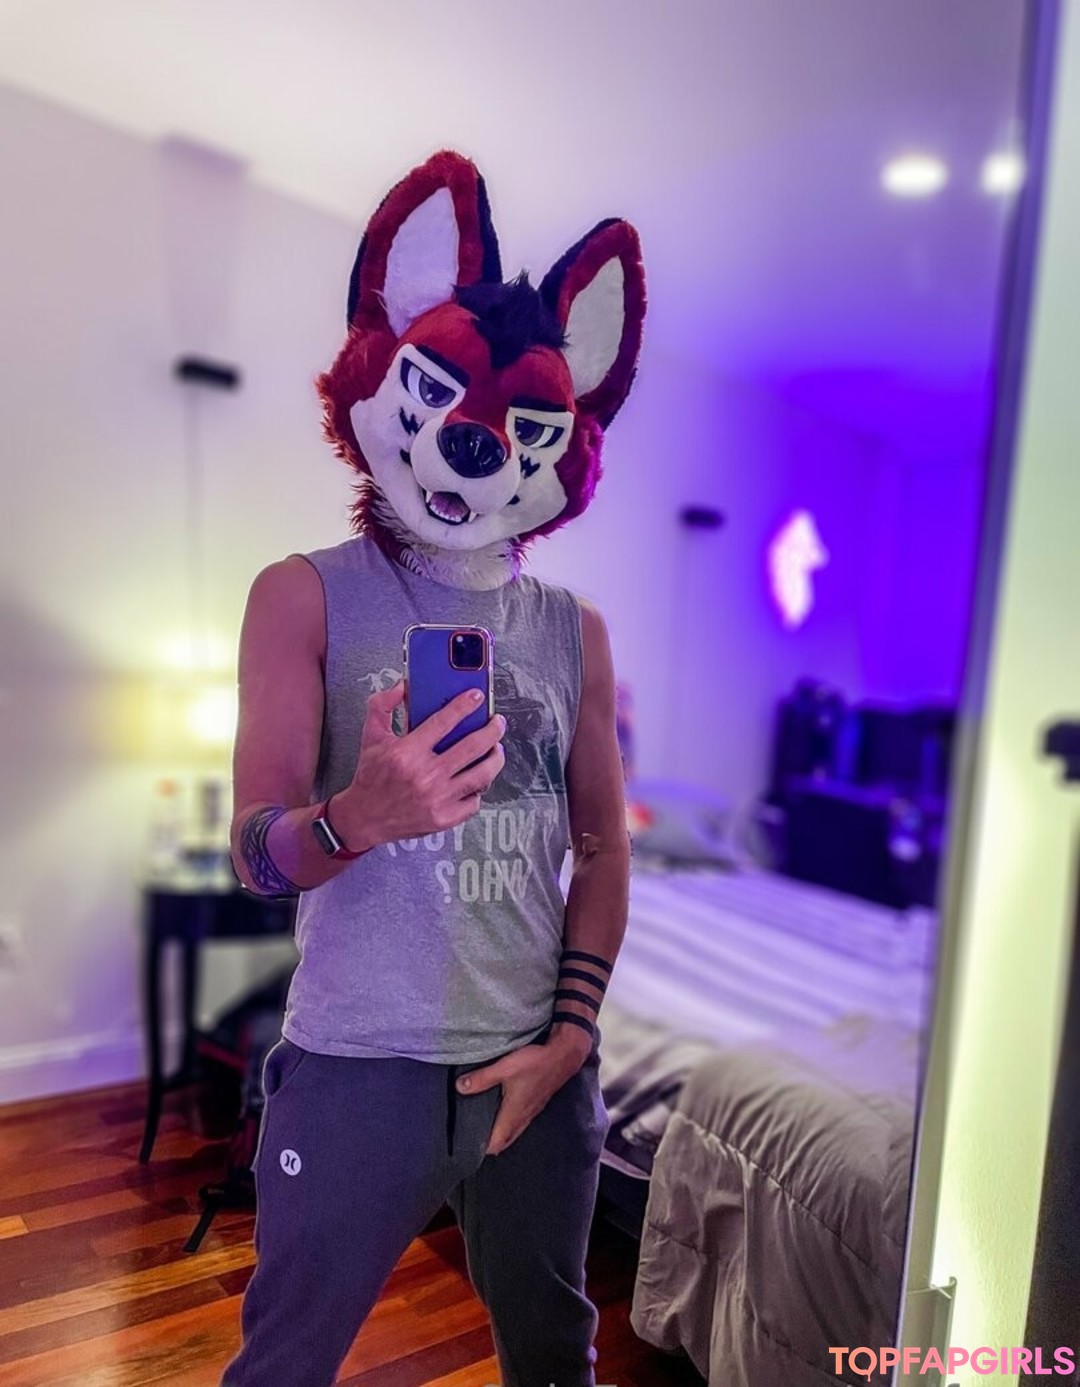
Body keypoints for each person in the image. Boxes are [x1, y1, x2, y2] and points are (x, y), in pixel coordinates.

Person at [220, 149, 646, 1387]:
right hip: (357, 1062)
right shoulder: (301, 594)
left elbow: (604, 846)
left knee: (555, 1356)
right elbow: (252, 850)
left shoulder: (576, 631)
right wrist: (356, 818)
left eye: (524, 427)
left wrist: (572, 1035)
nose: (477, 445)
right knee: (284, 1362)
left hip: (538, 1068)